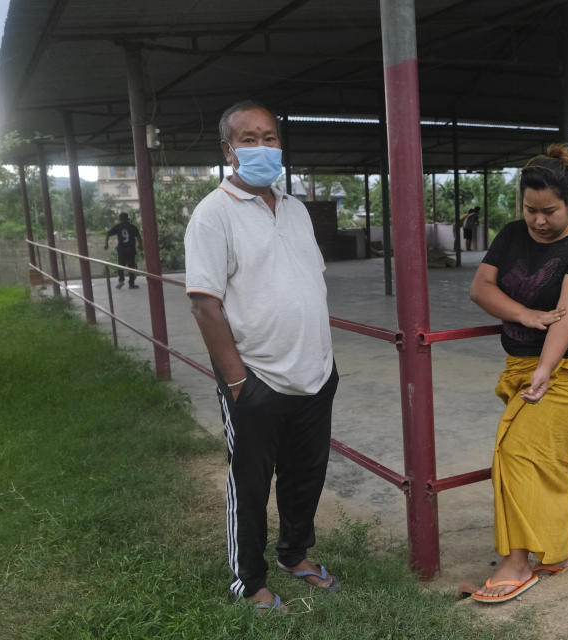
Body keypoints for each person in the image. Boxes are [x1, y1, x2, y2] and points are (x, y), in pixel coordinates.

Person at [184, 100, 340, 612]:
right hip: (256, 380)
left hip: (315, 375)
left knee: (306, 475)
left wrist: (323, 362)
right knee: (249, 486)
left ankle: (295, 555)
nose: (262, 147)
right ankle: (250, 582)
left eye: (269, 137)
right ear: (229, 152)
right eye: (248, 139)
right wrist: (237, 385)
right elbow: (206, 305)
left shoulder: (294, 209)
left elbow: (310, 281)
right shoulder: (213, 215)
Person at [467, 144, 568, 604]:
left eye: (549, 211)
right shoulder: (511, 235)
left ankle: (517, 565)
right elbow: (481, 288)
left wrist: (545, 368)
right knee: (545, 459)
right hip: (521, 363)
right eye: (530, 209)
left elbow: (566, 319)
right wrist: (527, 315)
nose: (538, 220)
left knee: (516, 452)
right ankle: (554, 553)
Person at [104, 212, 143, 289]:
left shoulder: (118, 226)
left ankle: (121, 281)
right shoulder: (132, 227)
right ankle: (131, 284)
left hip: (121, 249)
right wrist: (140, 245)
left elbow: (108, 234)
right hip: (131, 249)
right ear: (127, 218)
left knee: (121, 266)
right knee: (131, 267)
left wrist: (106, 244)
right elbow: (138, 237)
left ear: (120, 219)